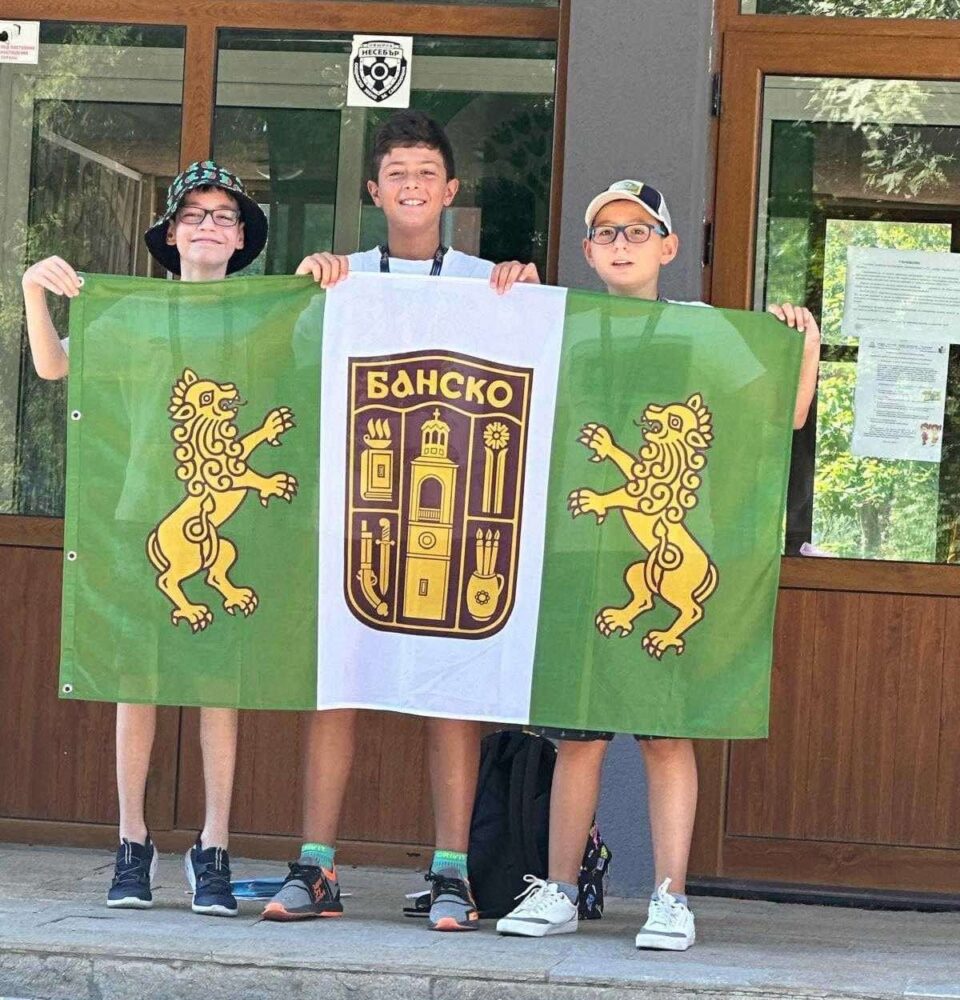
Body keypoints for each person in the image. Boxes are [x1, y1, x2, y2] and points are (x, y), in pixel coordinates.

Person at [495, 178, 820, 949]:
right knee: (578, 736)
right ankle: (560, 889)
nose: (622, 244)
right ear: (587, 250)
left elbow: (783, 412)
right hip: (579, 550)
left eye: (638, 231)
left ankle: (671, 896)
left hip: (664, 543)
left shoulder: (702, 327)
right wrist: (507, 296)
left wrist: (802, 344)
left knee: (667, 733)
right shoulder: (563, 324)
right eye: (607, 232)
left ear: (668, 247)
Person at [264, 110, 539, 931]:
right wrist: (306, 293)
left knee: (453, 693)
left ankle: (452, 873)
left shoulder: (490, 282)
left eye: (426, 172)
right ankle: (316, 866)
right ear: (373, 190)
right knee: (335, 689)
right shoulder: (340, 276)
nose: (412, 185)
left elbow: (533, 362)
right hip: (354, 520)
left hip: (457, 523)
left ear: (450, 190)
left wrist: (528, 300)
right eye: (397, 173)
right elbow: (289, 363)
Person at [21, 160, 271, 917]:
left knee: (220, 687)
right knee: (138, 681)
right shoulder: (131, 312)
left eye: (223, 216)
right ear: (170, 234)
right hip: (139, 512)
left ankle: (214, 843)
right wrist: (32, 287)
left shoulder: (264, 315)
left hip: (229, 516)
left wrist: (326, 280)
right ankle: (132, 841)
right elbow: (54, 366)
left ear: (241, 238)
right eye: (194, 215)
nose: (208, 226)